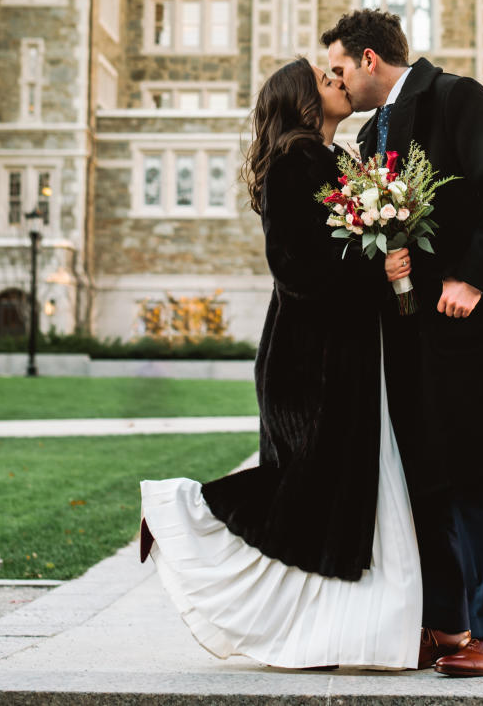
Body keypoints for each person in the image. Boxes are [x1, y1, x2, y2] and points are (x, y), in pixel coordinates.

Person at [140, 57, 422, 670]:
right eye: (327, 80)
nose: (340, 83)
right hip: (310, 360)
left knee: (335, 495)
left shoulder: (331, 158)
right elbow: (297, 269)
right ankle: (180, 511)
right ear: (300, 101)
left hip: (338, 355)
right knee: (306, 490)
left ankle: (329, 633)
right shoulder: (299, 161)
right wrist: (378, 271)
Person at [322, 8, 483, 678]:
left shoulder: (457, 98)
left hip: (462, 324)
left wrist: (470, 277)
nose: (335, 80)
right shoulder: (373, 130)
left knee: (472, 476)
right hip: (409, 334)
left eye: (338, 68)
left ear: (368, 60)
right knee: (428, 483)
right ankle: (449, 627)